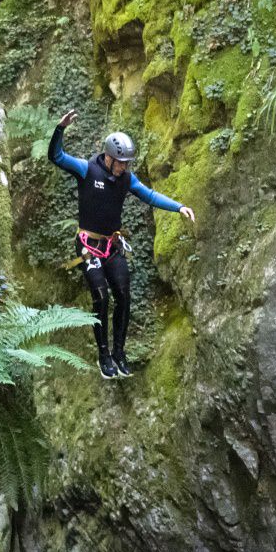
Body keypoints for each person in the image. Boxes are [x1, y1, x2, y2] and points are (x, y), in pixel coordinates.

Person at [49, 109, 196, 379]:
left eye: (127, 162)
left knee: (124, 296)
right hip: (87, 246)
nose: (124, 167)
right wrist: (60, 129)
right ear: (108, 157)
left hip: (112, 246)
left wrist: (179, 207)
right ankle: (103, 356)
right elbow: (56, 157)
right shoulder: (87, 170)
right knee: (102, 298)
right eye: (121, 162)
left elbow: (149, 196)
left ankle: (119, 352)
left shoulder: (127, 178)